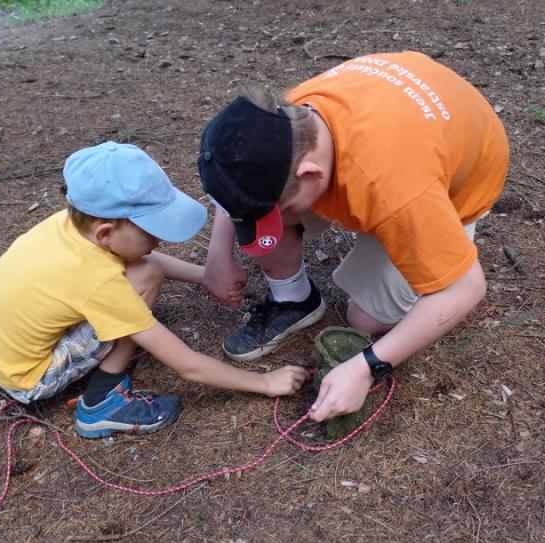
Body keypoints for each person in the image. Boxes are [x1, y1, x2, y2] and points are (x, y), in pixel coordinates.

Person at [197, 51, 509, 422]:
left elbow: (465, 288)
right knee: (273, 216)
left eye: (277, 209)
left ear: (312, 175)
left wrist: (368, 365)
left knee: (364, 320)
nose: (265, 222)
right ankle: (294, 300)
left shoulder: (395, 191)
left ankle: (404, 239)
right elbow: (237, 180)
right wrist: (218, 256)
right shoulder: (287, 120)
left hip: (452, 184)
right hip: (402, 145)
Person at [0, 142, 310, 438]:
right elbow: (188, 366)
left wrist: (207, 276)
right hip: (30, 376)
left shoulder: (70, 225)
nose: (158, 239)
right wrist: (265, 382)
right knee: (140, 283)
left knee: (145, 270)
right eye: (151, 230)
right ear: (105, 233)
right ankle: (102, 402)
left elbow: (144, 260)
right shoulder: (98, 281)